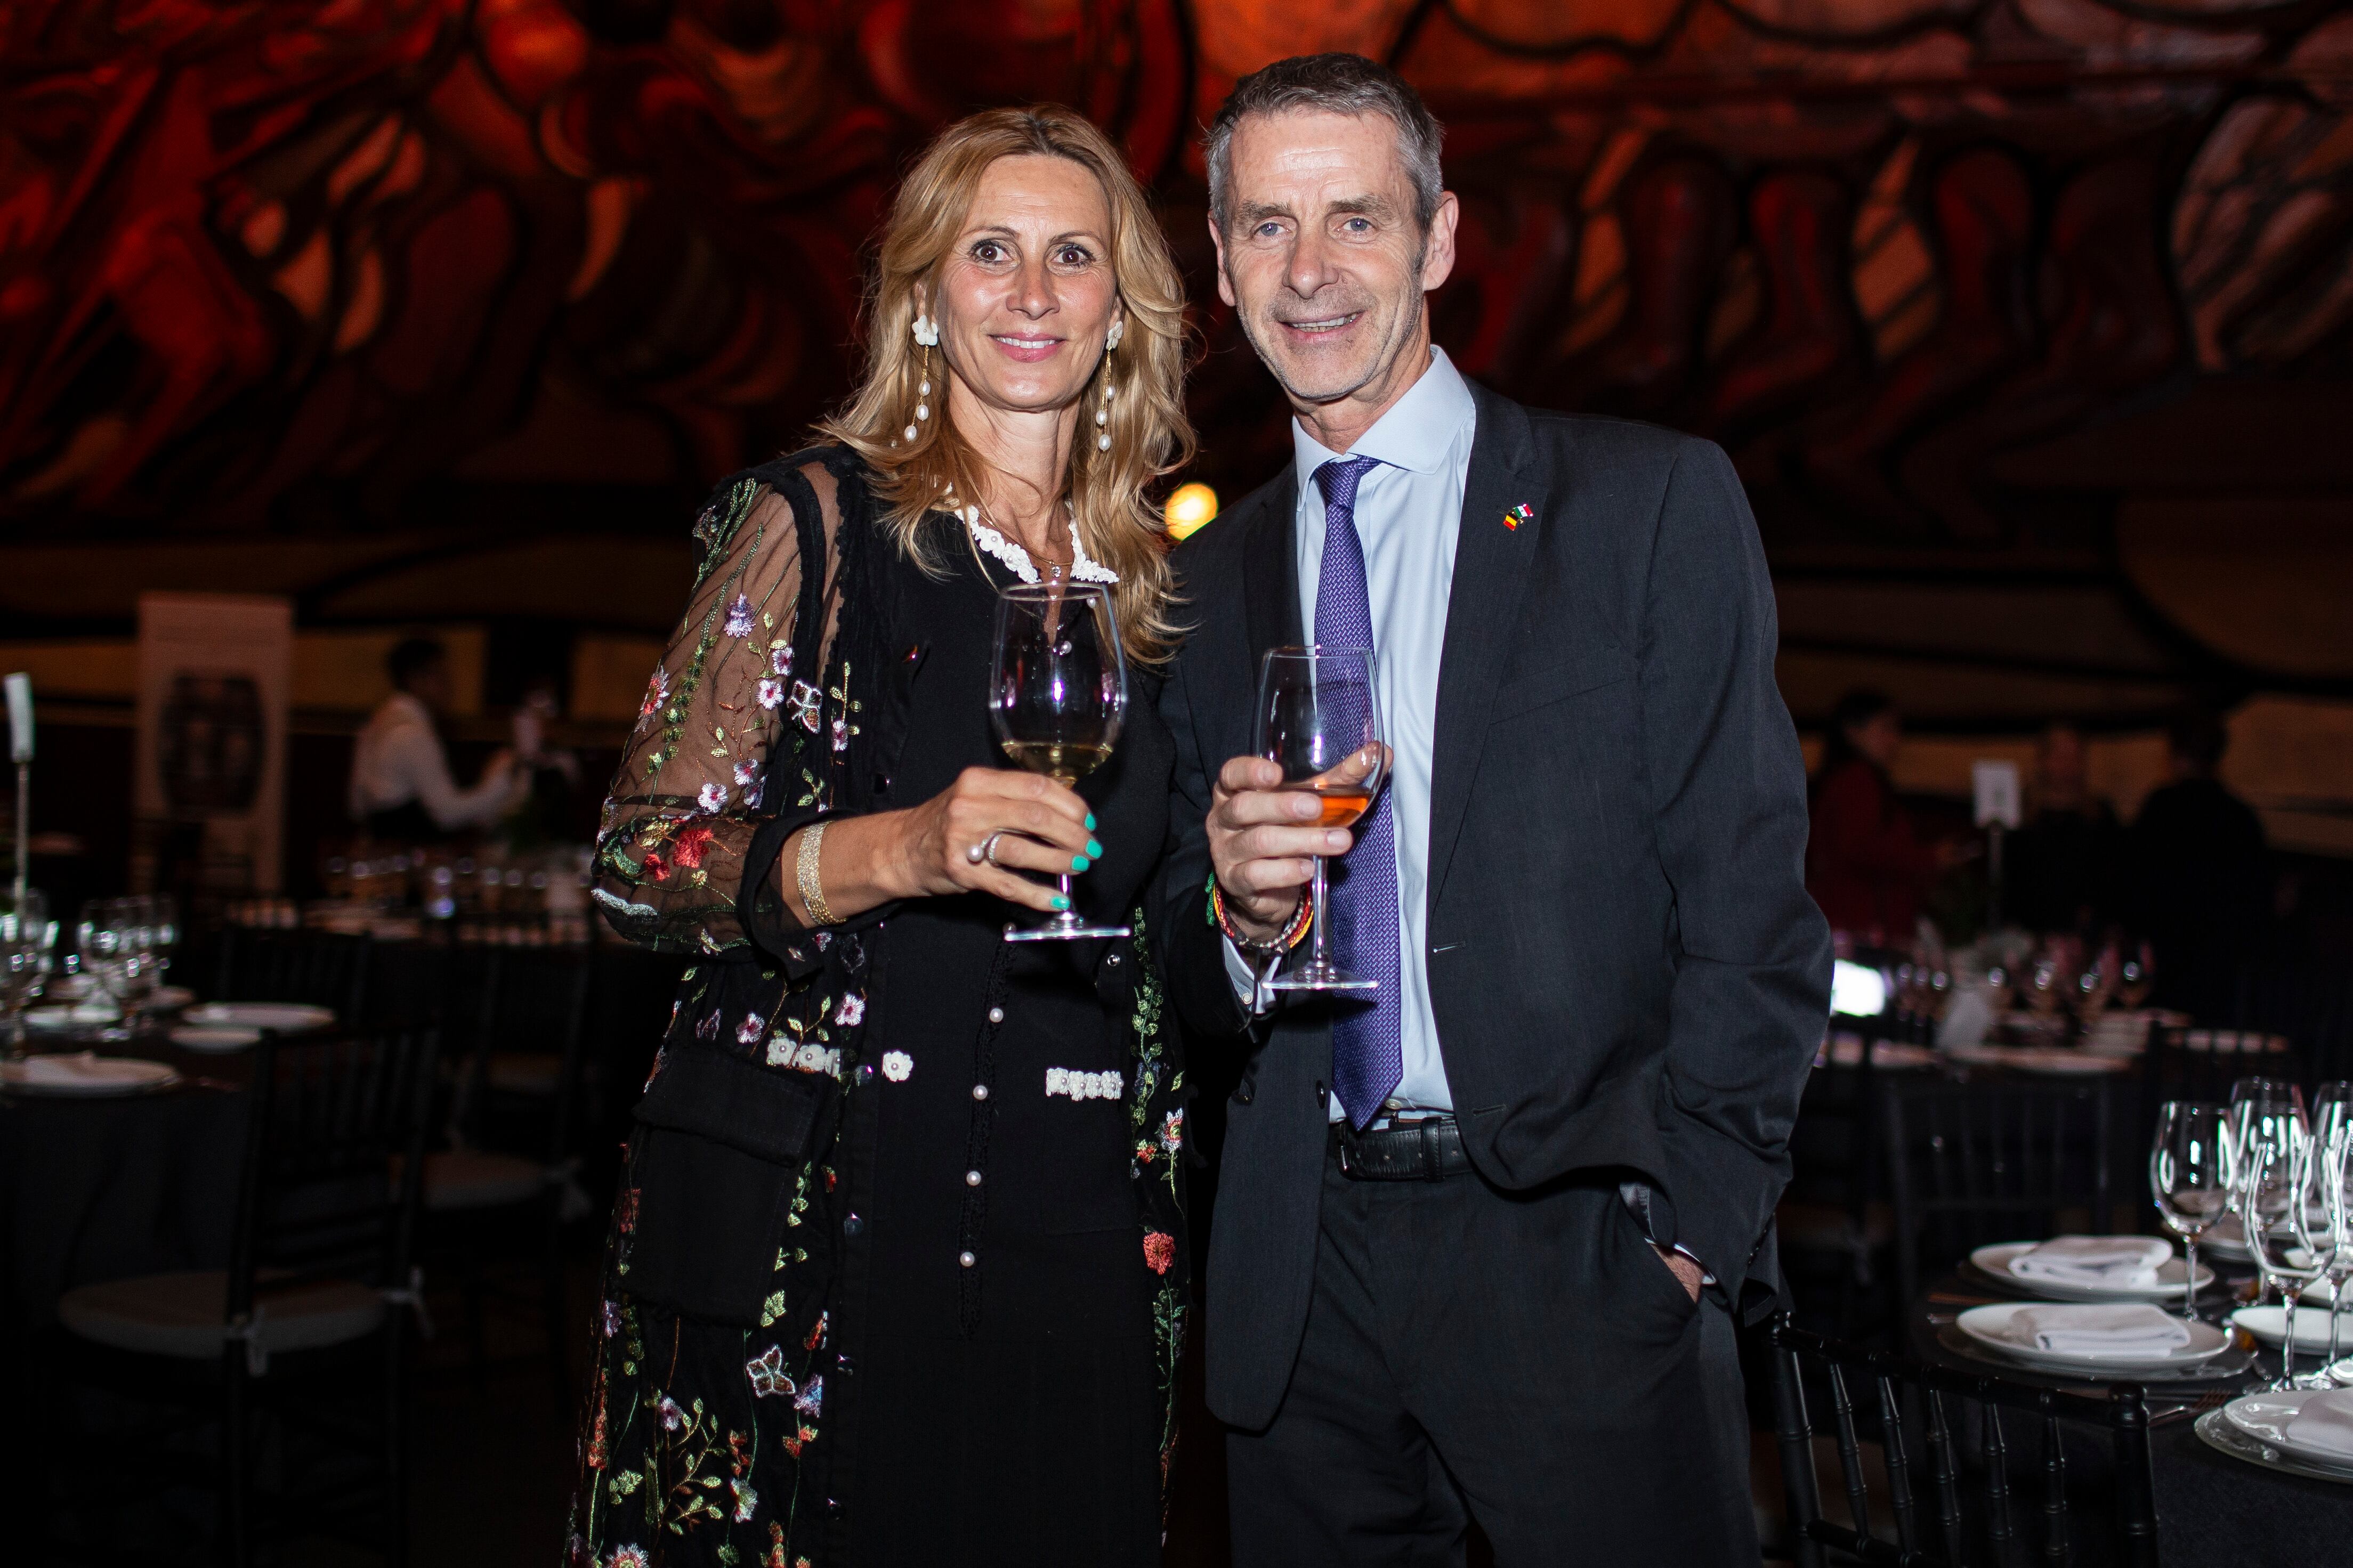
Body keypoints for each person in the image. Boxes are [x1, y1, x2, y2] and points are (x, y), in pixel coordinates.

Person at [1152, 55, 1832, 1567]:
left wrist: (1684, 1239)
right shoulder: (1194, 587)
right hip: (1298, 1269)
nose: (1309, 270)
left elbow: (1751, 907)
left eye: (1355, 220)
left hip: (1578, 1258)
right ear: (1218, 262)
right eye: (1265, 226)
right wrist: (1238, 922)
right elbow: (1165, 964)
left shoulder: (1643, 505)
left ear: (1440, 239)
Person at [567, 106, 1195, 1567]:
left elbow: (1161, 922)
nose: (1030, 292)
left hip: (1083, 1215)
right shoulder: (817, 526)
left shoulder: (1157, 585)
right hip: (843, 1208)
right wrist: (892, 849)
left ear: (1120, 308)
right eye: (988, 251)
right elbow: (632, 860)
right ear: (923, 295)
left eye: (1070, 256)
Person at [2126, 705, 2269, 1019]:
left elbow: (2133, 887)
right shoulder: (2240, 819)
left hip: (2165, 967)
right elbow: (2258, 903)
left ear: (2175, 754)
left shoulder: (2160, 810)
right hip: (2222, 972)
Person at [1806, 688, 1959, 944]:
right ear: (1853, 732)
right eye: (1885, 729)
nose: (1894, 740)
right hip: (1861, 929)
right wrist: (1930, 858)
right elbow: (1861, 848)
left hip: (1854, 926)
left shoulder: (1849, 780)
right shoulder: (1856, 780)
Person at [346, 637, 527, 840]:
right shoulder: (412, 733)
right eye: (442, 677)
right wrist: (499, 782)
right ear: (415, 679)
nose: (450, 688)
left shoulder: (377, 723)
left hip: (377, 851)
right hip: (406, 856)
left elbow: (357, 806)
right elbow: (447, 814)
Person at [2006, 720, 2120, 934]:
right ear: (2043, 760)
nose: (2068, 765)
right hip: (2029, 939)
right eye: (2060, 756)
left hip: (2085, 940)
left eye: (2075, 756)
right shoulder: (2021, 819)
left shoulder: (2099, 817)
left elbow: (2112, 883)